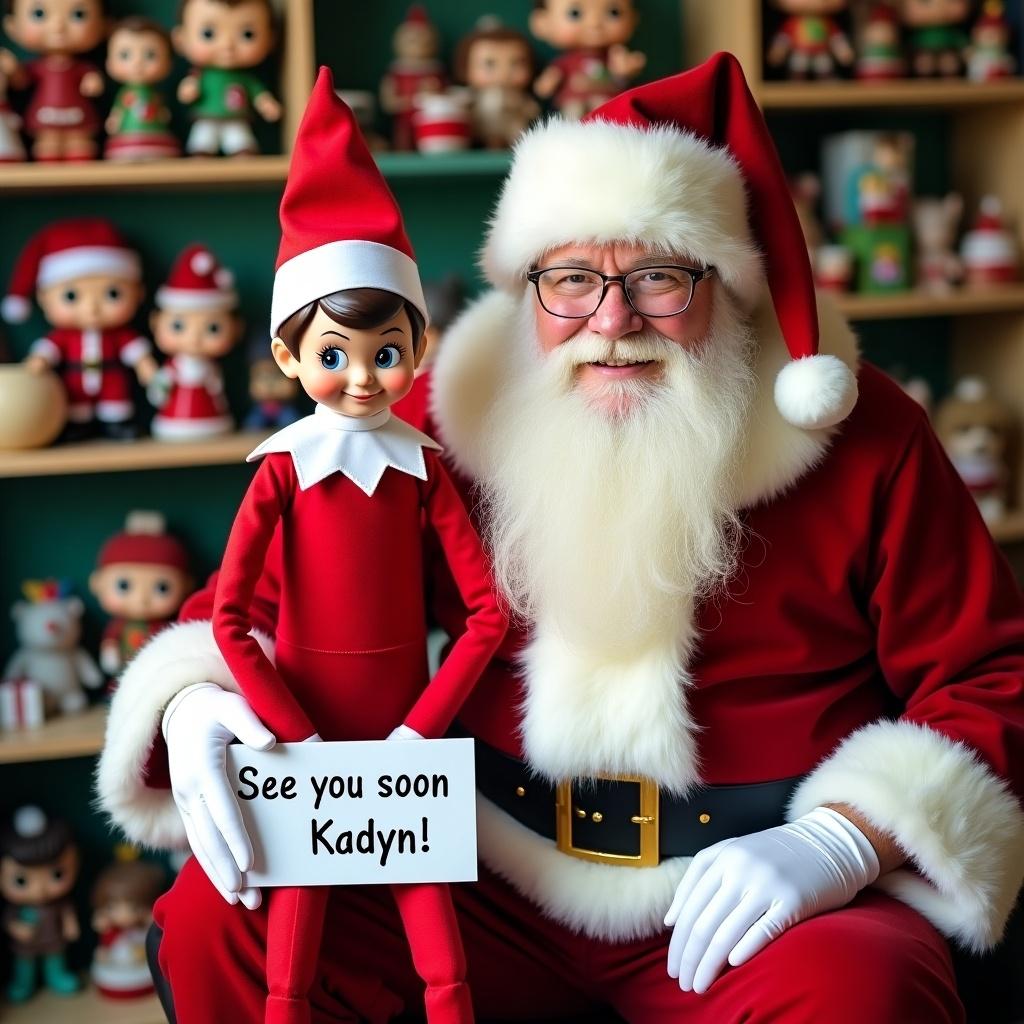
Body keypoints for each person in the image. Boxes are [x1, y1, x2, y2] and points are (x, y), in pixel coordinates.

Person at [98, 53, 1024, 1023]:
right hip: (477, 866)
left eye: (659, 275)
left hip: (754, 891)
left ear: (732, 284)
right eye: (572, 277)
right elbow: (272, 594)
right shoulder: (449, 409)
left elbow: (990, 677)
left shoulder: (861, 430)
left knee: (863, 991)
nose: (612, 320)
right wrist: (195, 703)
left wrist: (843, 840)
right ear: (525, 282)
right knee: (220, 923)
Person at [209, 72, 503, 1024]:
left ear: (417, 351)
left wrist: (423, 724)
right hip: (302, 729)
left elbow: (487, 612)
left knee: (437, 934)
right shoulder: (282, 474)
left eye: (386, 353)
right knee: (292, 937)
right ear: (289, 359)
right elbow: (228, 616)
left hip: (407, 731)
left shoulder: (427, 473)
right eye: (333, 355)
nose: (363, 379)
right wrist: (283, 726)